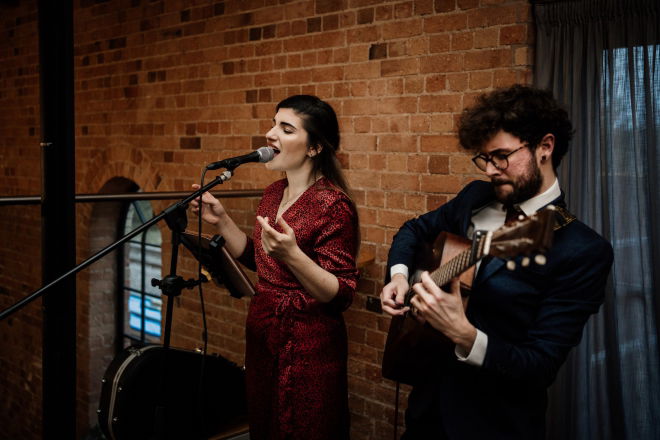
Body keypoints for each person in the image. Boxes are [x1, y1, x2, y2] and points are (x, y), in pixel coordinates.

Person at [380, 84, 613, 439]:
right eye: (484, 158)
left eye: (501, 156)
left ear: (545, 147)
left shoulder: (582, 250)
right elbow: (413, 230)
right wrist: (399, 277)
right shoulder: (474, 197)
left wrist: (464, 334)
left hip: (493, 424)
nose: (490, 169)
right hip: (426, 407)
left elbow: (540, 366)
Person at [190, 95, 359, 440]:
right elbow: (263, 261)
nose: (270, 134)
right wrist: (221, 221)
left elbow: (341, 293)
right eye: (273, 124)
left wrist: (293, 255)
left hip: (308, 346)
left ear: (314, 148)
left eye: (286, 128)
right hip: (264, 334)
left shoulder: (332, 204)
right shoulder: (273, 193)